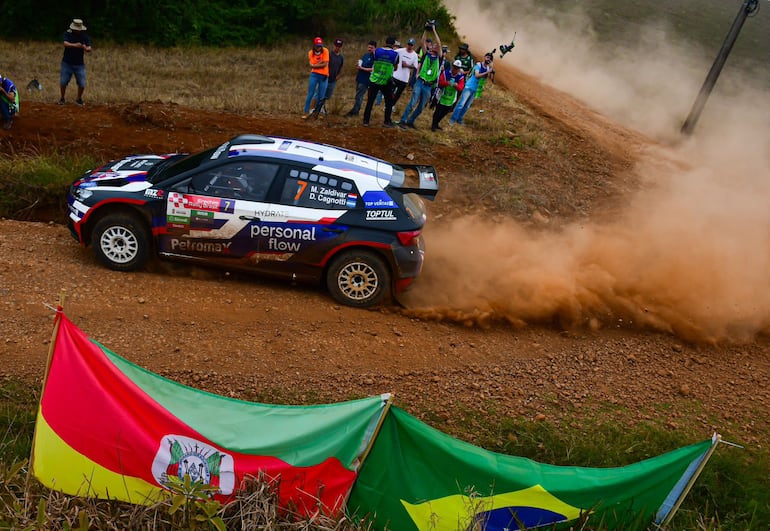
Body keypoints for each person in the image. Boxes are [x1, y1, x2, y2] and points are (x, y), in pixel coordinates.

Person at [398, 24, 441, 129]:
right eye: (432, 45)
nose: (433, 46)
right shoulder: (426, 54)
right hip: (420, 82)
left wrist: (434, 30)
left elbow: (439, 43)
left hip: (429, 85)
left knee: (421, 106)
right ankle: (403, 120)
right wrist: (426, 30)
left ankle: (410, 121)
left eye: (434, 46)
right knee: (413, 102)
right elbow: (422, 42)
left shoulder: (439, 57)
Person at [362, 36, 399, 128]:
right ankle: (387, 121)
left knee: (370, 101)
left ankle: (366, 121)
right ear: (393, 44)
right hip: (386, 81)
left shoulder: (376, 51)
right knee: (389, 102)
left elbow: (373, 62)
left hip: (374, 79)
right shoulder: (395, 54)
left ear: (385, 42)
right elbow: (396, 68)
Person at [450, 52, 493, 126]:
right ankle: (453, 119)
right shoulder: (479, 65)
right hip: (469, 86)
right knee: (461, 104)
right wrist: (487, 71)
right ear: (484, 57)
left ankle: (459, 119)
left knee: (467, 106)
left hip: (476, 89)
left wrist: (491, 69)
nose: (488, 59)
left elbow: (488, 78)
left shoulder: (488, 68)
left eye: (490, 58)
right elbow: (477, 75)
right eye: (487, 57)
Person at [60, 18, 92, 106]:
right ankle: (62, 98)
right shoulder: (67, 33)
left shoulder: (84, 36)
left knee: (82, 83)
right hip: (67, 62)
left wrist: (85, 47)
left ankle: (79, 99)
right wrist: (76, 45)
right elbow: (65, 43)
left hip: (79, 64)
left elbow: (89, 48)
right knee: (63, 82)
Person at [431, 60, 465, 131]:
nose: (455, 69)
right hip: (442, 96)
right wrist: (447, 83)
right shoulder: (446, 73)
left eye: (457, 68)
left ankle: (437, 123)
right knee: (438, 111)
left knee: (445, 112)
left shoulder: (461, 77)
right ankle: (433, 125)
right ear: (452, 66)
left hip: (451, 98)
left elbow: (461, 87)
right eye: (455, 67)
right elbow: (440, 82)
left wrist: (456, 85)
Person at [346, 40, 376, 117]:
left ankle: (355, 111)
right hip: (360, 77)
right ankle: (355, 110)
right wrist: (358, 65)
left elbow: (372, 69)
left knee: (359, 96)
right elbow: (362, 63)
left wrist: (362, 68)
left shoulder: (375, 58)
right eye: (369, 47)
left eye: (371, 48)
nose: (369, 49)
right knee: (358, 95)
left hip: (366, 79)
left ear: (375, 48)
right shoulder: (366, 55)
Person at [302, 37, 329, 118]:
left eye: (320, 46)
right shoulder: (310, 53)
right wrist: (319, 63)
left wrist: (315, 65)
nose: (319, 48)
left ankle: (318, 112)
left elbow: (324, 64)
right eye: (317, 46)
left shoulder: (325, 51)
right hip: (314, 74)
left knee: (321, 95)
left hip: (324, 75)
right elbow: (312, 65)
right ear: (314, 45)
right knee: (311, 93)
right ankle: (306, 111)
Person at [391, 38, 419, 107]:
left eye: (411, 45)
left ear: (413, 46)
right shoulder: (401, 51)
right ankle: (388, 104)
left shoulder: (414, 55)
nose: (409, 46)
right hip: (396, 76)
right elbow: (392, 52)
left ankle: (392, 105)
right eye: (409, 44)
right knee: (390, 92)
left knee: (398, 94)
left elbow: (415, 66)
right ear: (407, 44)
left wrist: (407, 65)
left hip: (404, 79)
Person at [324, 38, 344, 102]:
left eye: (339, 46)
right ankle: (314, 108)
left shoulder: (341, 57)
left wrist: (338, 76)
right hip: (325, 78)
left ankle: (322, 107)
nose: (337, 48)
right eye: (336, 46)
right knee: (320, 94)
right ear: (334, 46)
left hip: (333, 80)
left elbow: (341, 68)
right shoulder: (329, 54)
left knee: (327, 96)